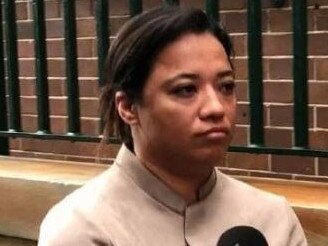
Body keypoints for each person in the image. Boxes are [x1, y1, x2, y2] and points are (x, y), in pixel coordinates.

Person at [38, 7, 307, 246]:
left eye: (226, 86)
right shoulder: (83, 228)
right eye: (186, 89)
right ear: (128, 107)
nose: (215, 108)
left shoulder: (272, 218)